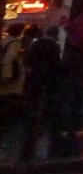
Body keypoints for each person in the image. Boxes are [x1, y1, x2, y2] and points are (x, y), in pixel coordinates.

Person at [19, 25, 60, 161]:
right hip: (45, 80)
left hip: (33, 79)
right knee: (40, 105)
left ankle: (29, 128)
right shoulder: (54, 47)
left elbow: (28, 60)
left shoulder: (36, 45)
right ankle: (36, 127)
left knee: (32, 103)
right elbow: (55, 66)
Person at [0, 23, 24, 120]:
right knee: (10, 98)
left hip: (5, 74)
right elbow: (8, 59)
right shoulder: (14, 44)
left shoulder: (4, 41)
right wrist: (7, 76)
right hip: (11, 77)